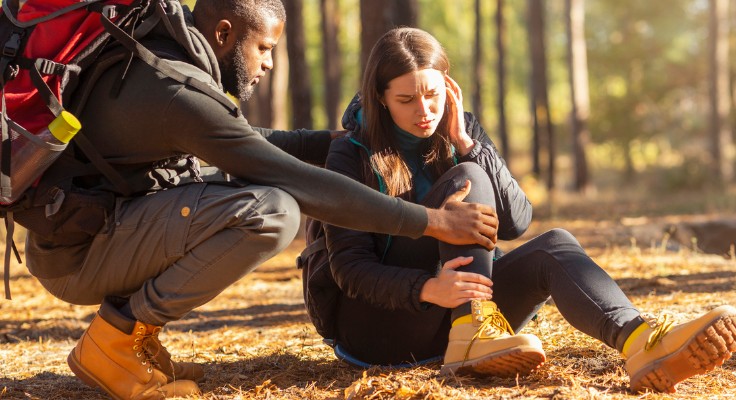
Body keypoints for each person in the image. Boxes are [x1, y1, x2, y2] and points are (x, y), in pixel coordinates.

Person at [23, 1, 499, 399]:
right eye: (264, 48)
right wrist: (431, 221)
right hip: (79, 255)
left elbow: (257, 140)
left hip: (94, 231)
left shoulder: (164, 64)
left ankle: (137, 340)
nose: (269, 62)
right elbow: (291, 177)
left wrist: (351, 140)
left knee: (251, 200)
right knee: (272, 212)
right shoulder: (175, 94)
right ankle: (114, 340)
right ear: (225, 32)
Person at [321, 27, 736, 393]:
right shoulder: (350, 155)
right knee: (463, 179)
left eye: (433, 94)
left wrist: (469, 145)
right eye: (406, 99)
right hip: (380, 326)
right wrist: (428, 288)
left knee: (554, 245)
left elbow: (517, 222)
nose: (424, 111)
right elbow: (349, 270)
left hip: (456, 317)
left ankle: (641, 344)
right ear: (380, 99)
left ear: (448, 87)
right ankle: (470, 331)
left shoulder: (459, 133)